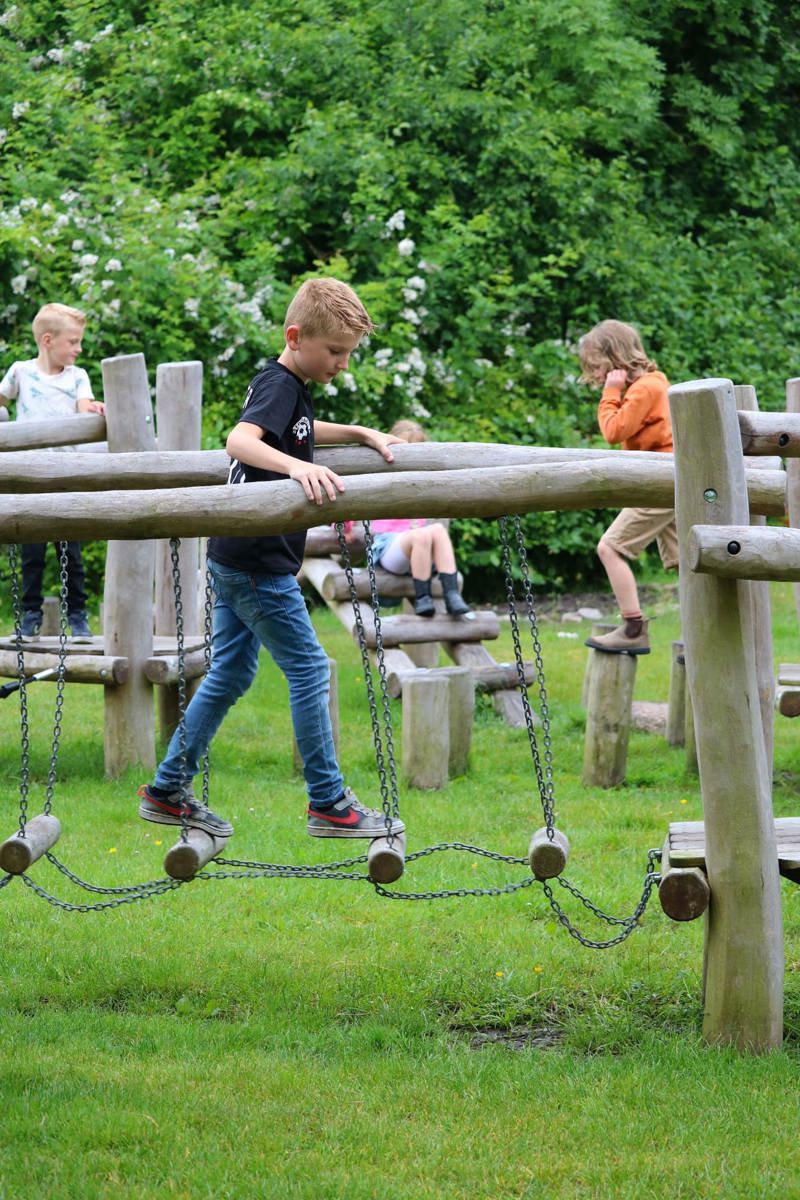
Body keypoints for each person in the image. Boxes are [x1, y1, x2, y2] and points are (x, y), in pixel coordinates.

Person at [137, 278, 406, 842]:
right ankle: (328, 803)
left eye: (348, 353)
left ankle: (166, 790)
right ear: (296, 336)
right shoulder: (280, 383)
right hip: (258, 564)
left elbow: (296, 433)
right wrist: (295, 468)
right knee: (309, 670)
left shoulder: (292, 386)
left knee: (232, 671)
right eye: (335, 351)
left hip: (236, 558)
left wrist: (355, 432)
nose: (342, 363)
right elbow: (240, 440)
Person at [0, 303, 105, 642]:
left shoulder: (77, 377)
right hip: (27, 476)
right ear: (48, 340)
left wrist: (94, 409)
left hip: (64, 476)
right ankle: (30, 616)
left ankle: (77, 617)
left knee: (70, 553)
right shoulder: (20, 372)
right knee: (31, 554)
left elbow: (82, 408)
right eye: (73, 342)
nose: (79, 349)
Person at [578, 320, 676, 656]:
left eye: (596, 366)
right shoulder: (653, 383)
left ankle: (633, 628)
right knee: (686, 562)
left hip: (660, 481)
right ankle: (704, 637)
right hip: (670, 478)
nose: (594, 374)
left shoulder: (645, 388)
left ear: (614, 357)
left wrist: (611, 392)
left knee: (611, 547)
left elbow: (614, 430)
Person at [368, 418, 471, 618]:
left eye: (417, 449)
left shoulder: (422, 478)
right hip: (387, 549)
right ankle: (423, 598)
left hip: (419, 551)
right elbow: (349, 497)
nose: (411, 456)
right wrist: (345, 529)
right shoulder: (380, 474)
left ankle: (452, 595)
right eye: (405, 449)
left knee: (437, 531)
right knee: (420, 536)